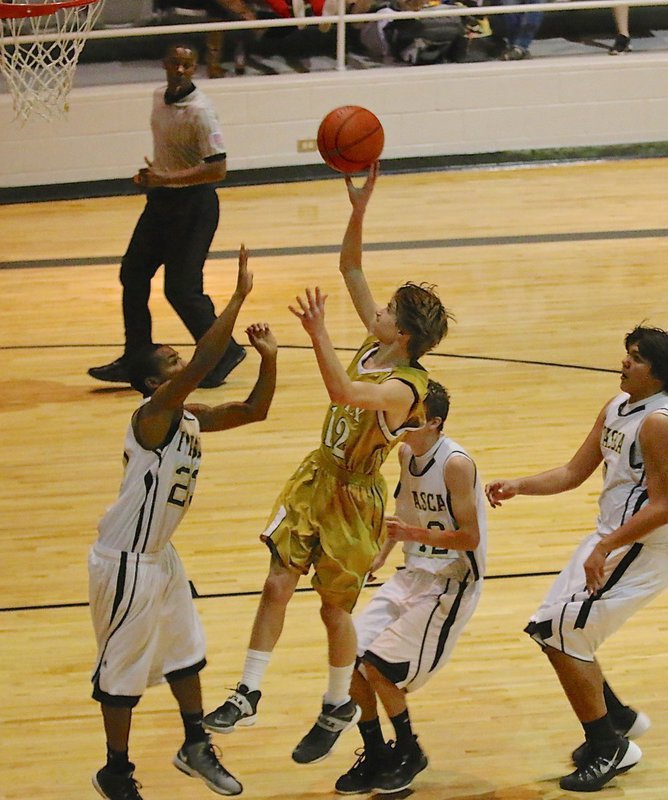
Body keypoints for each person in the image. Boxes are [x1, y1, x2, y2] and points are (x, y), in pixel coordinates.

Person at [203, 163, 450, 766]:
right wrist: (359, 207)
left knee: (332, 610)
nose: (378, 311)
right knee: (275, 583)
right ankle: (248, 691)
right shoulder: (376, 341)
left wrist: (314, 333)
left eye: (389, 310)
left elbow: (342, 392)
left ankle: (338, 701)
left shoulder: (405, 386)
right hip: (317, 477)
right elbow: (352, 267)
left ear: (406, 333)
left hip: (356, 500)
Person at [90, 246, 278, 800]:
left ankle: (195, 744)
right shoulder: (151, 417)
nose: (182, 363)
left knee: (185, 652)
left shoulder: (190, 418)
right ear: (155, 386)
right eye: (170, 363)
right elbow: (203, 363)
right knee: (122, 674)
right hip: (124, 559)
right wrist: (238, 298)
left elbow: (253, 412)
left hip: (160, 555)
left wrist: (268, 359)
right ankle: (115, 771)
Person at [485, 325, 668, 792]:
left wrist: (606, 548)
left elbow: (664, 505)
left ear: (660, 373)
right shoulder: (615, 408)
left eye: (637, 358)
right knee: (547, 628)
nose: (626, 362)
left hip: (642, 547)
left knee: (562, 634)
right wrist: (519, 485)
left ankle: (609, 746)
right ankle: (617, 719)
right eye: (626, 353)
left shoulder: (658, 422)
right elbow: (573, 471)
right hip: (608, 539)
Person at [334, 379, 487, 795]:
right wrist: (381, 554)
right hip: (412, 573)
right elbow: (401, 516)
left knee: (380, 669)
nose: (402, 423)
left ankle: (409, 751)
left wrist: (413, 532)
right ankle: (377, 753)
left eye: (413, 418)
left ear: (435, 422)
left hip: (451, 583)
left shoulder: (456, 464)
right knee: (349, 657)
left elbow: (469, 538)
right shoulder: (405, 452)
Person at [88, 43, 246, 391]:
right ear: (164, 63)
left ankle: (226, 352)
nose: (180, 70)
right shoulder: (159, 97)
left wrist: (167, 179)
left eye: (187, 65)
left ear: (194, 69)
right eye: (175, 63)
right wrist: (152, 178)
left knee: (181, 289)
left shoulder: (201, 111)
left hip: (194, 207)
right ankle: (136, 355)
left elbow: (217, 169)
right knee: (133, 273)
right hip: (162, 202)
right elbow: (168, 158)